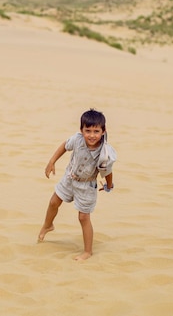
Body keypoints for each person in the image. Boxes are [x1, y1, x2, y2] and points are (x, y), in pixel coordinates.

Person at [38, 108, 117, 261]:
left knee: (83, 217)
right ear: (81, 130)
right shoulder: (77, 139)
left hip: (87, 186)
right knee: (54, 202)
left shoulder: (105, 152)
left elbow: (107, 171)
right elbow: (64, 146)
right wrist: (52, 162)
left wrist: (109, 185)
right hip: (69, 178)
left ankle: (87, 251)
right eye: (88, 131)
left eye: (96, 131)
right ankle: (48, 225)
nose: (92, 135)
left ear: (103, 131)